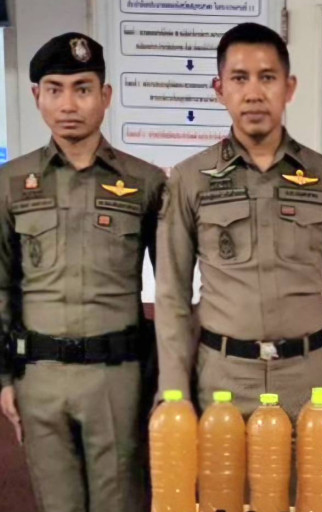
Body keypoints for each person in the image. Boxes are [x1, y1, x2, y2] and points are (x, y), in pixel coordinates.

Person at [155, 22, 322, 421]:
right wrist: (174, 390)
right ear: (220, 89)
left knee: (310, 468)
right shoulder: (189, 179)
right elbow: (171, 296)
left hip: (306, 378)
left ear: (289, 88)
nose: (254, 93)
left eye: (267, 78)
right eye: (240, 78)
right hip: (221, 378)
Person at [0, 33, 166, 512]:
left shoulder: (145, 183)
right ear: (37, 96)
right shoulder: (10, 184)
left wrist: (169, 384)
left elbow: (173, 291)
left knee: (122, 503)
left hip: (117, 380)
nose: (68, 104)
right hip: (39, 379)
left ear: (105, 96)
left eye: (83, 89)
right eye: (55, 89)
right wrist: (5, 379)